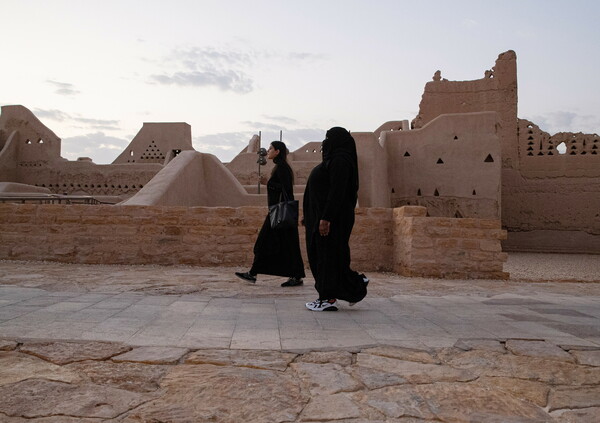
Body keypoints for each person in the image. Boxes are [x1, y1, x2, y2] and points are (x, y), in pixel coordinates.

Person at [303, 127, 368, 311]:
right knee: (331, 256)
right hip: (325, 218)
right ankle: (354, 285)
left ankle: (327, 299)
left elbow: (337, 192)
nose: (325, 142)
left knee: (326, 258)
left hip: (332, 221)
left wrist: (326, 218)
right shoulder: (337, 159)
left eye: (328, 138)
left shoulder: (340, 160)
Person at [235, 141, 305, 287]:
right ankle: (294, 275)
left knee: (265, 243)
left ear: (278, 151)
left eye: (270, 148)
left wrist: (268, 183)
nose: (268, 151)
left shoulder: (283, 168)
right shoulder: (280, 167)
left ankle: (253, 274)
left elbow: (286, 190)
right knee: (283, 245)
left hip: (279, 212)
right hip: (279, 212)